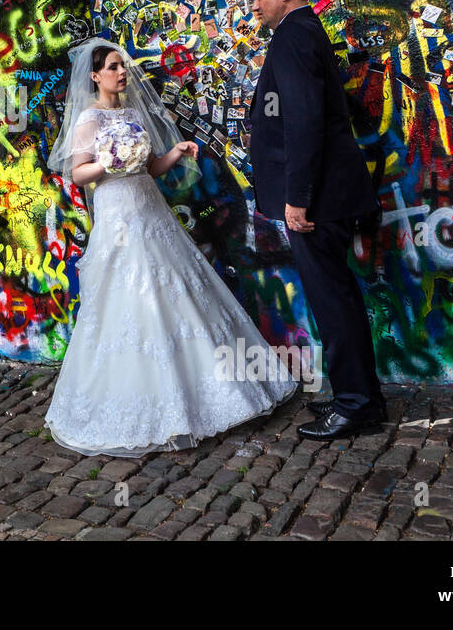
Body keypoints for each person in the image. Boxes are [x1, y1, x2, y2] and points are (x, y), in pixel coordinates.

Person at [43, 39, 297, 457]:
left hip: (149, 208)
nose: (121, 73)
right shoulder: (89, 118)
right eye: (112, 68)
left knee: (178, 289)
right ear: (94, 76)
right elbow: (79, 173)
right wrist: (109, 161)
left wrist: (175, 152)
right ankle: (152, 406)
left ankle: (214, 395)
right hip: (119, 215)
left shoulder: (131, 113)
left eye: (123, 66)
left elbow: (151, 168)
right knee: (131, 297)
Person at [247, 0, 386, 440]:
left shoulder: (292, 35)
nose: (254, 5)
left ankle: (357, 405)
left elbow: (305, 121)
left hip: (318, 199)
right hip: (328, 194)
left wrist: (298, 197)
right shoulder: (306, 32)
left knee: (333, 300)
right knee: (338, 297)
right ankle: (356, 394)